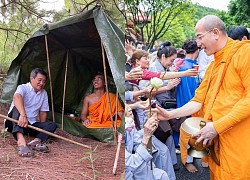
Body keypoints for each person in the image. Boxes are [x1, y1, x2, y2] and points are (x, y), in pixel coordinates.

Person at [150, 15, 250, 179]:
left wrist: (217, 126)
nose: (198, 43)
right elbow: (198, 100)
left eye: (200, 36)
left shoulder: (244, 53)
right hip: (216, 141)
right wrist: (170, 114)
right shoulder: (212, 66)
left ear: (215, 33)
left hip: (237, 140)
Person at [5, 68, 57, 157]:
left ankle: (36, 142)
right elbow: (17, 97)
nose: (42, 83)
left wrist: (44, 130)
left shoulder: (44, 93)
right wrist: (23, 115)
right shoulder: (23, 87)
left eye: (44, 81)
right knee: (16, 108)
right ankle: (21, 142)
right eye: (39, 80)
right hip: (14, 122)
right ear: (32, 78)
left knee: (52, 125)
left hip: (29, 124)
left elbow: (43, 112)